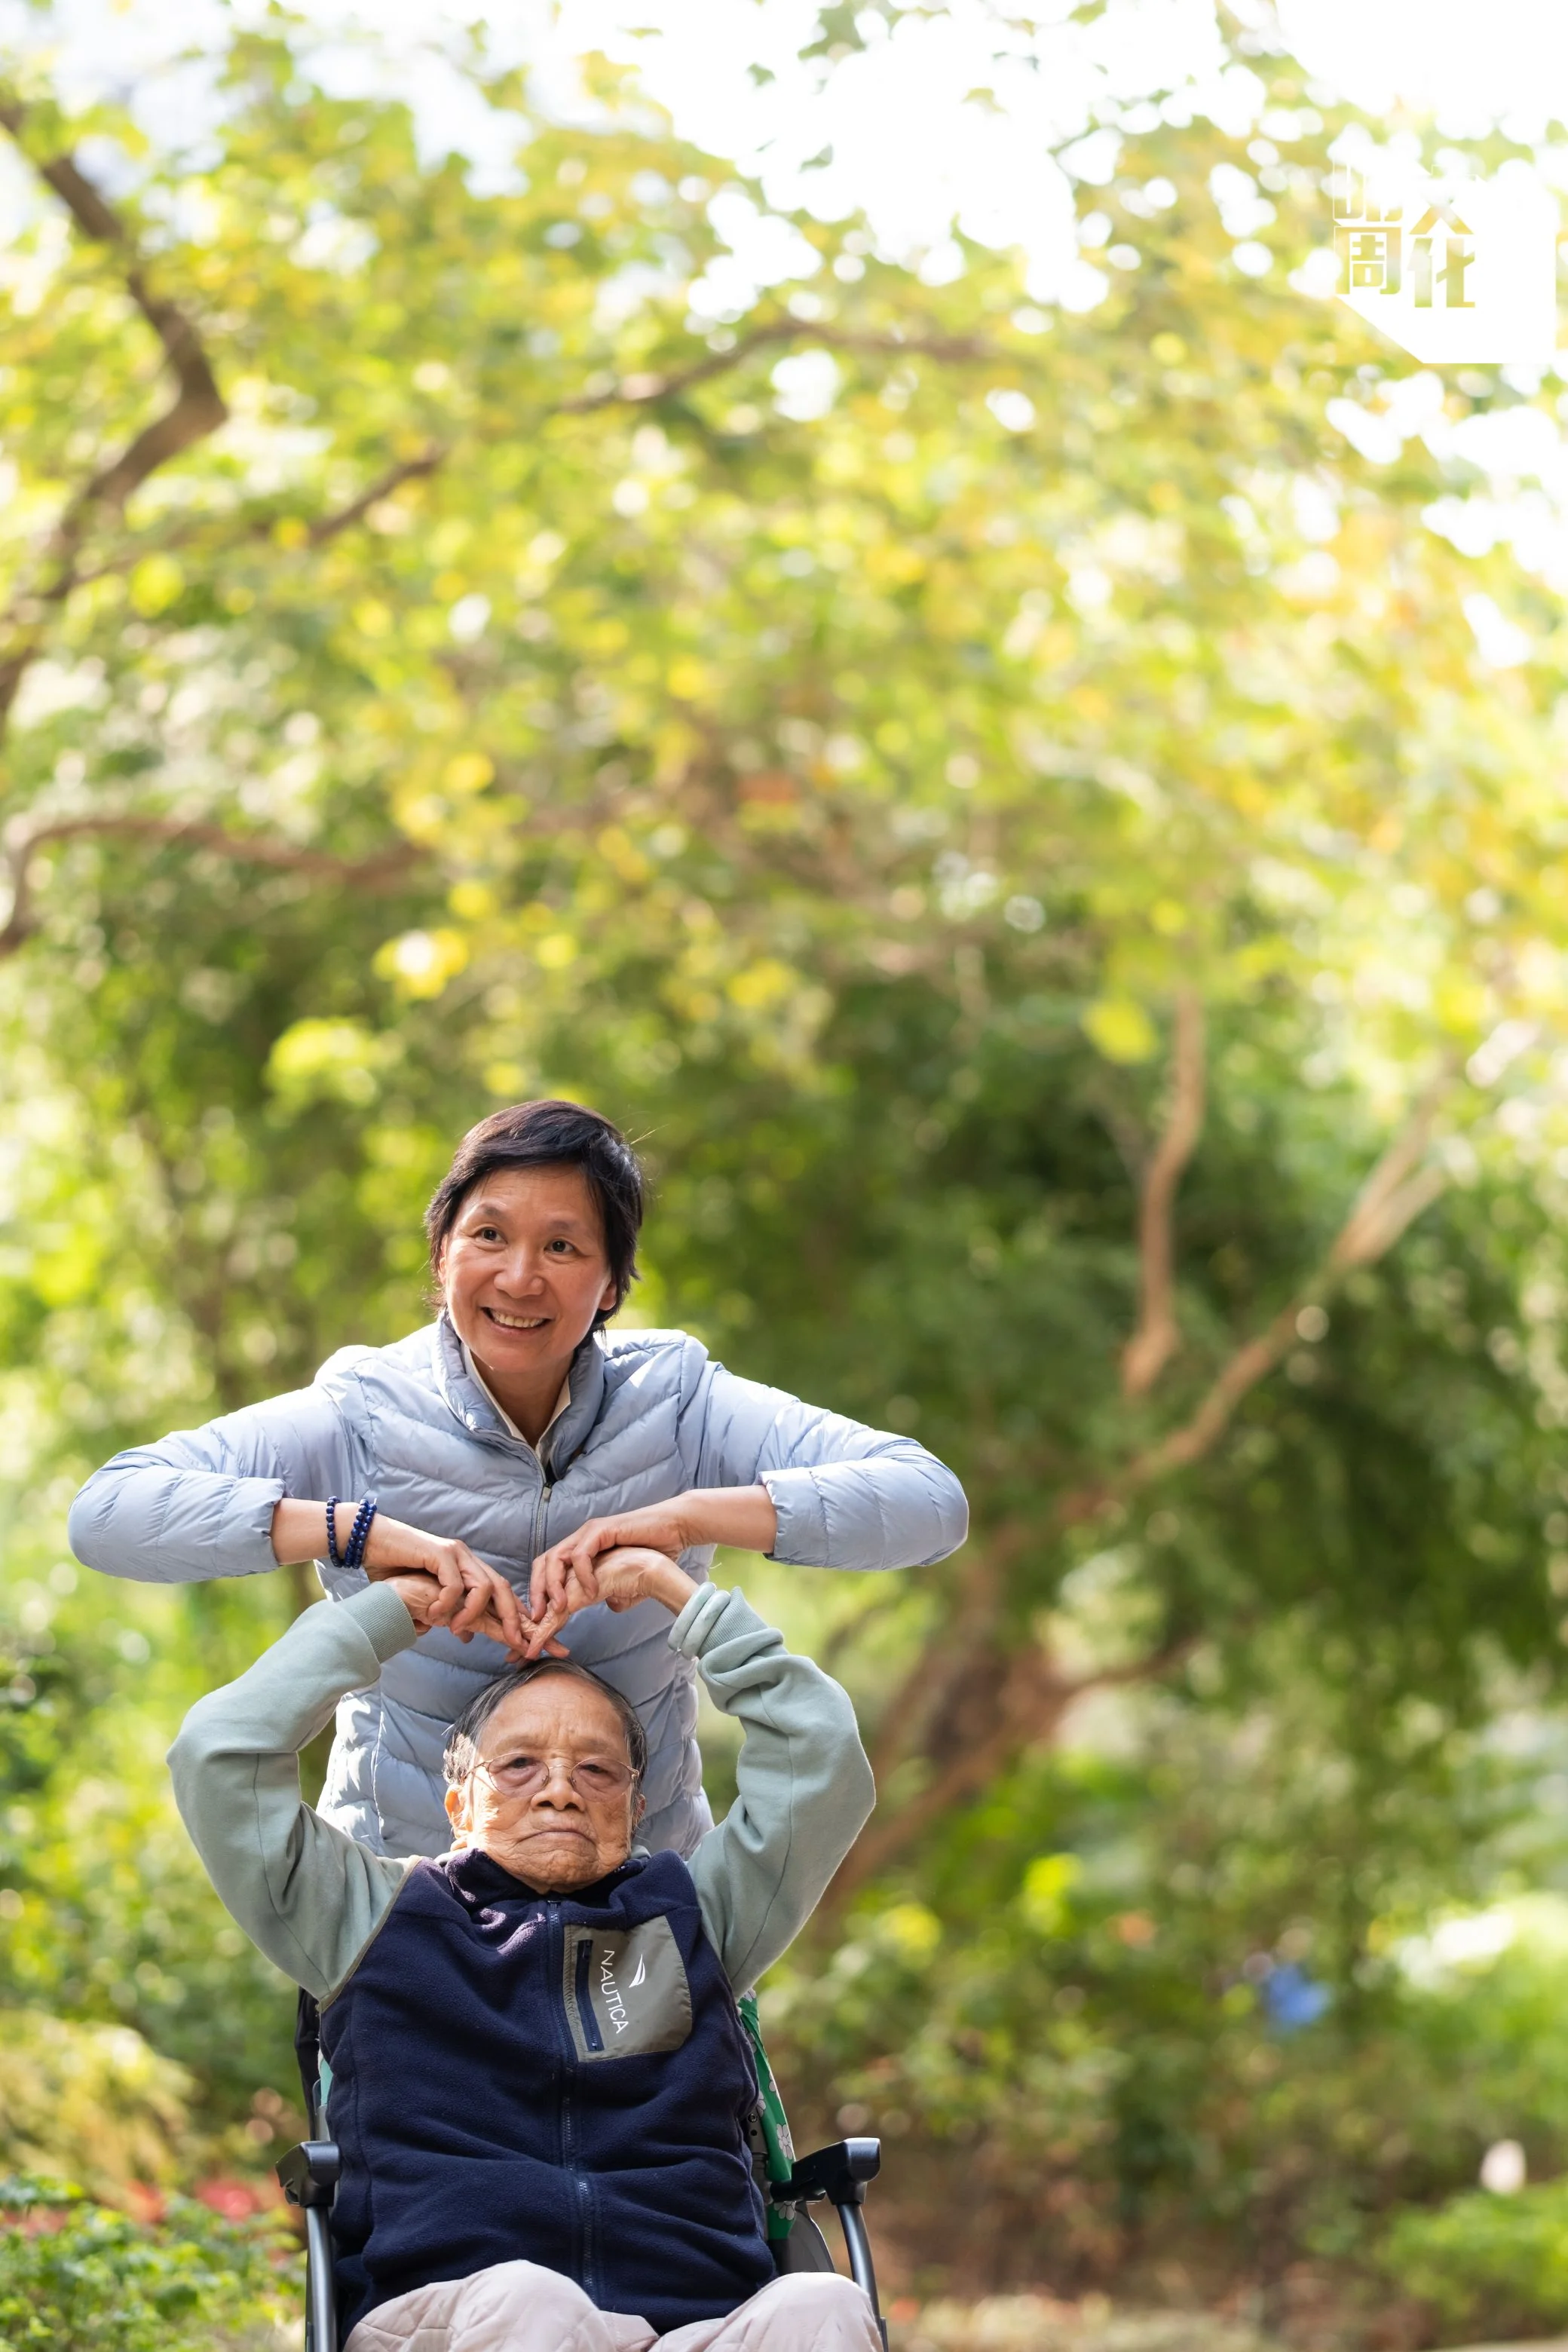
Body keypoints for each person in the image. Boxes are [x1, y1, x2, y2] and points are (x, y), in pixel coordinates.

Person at [69, 1098, 968, 1859]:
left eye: (564, 1248)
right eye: (488, 1235)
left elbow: (929, 1503)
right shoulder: (361, 1409)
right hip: (405, 1916)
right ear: (441, 1256)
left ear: (613, 1282)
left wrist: (689, 1518)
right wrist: (353, 1532)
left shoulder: (682, 1399)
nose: (519, 1276)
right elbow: (109, 1513)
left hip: (644, 1909)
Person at [170, 1541, 880, 2352]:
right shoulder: (368, 1914)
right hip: (461, 2313)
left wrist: (674, 1594)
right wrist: (382, 1615)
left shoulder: (700, 1915)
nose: (558, 1788)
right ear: (456, 1800)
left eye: (596, 1770)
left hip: (698, 2325)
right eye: (516, 1765)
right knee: (531, 2302)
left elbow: (823, 1757)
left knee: (823, 2306)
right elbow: (216, 1755)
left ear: (636, 1805)